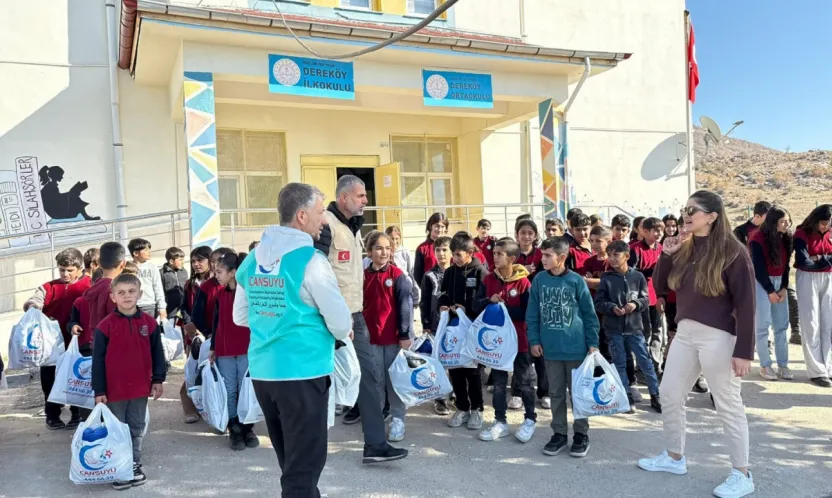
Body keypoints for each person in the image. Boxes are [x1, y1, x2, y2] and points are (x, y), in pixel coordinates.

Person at [641, 190, 756, 498]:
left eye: (693, 209)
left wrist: (744, 351)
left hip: (719, 337)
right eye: (684, 209)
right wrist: (667, 253)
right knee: (669, 393)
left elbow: (746, 304)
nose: (686, 214)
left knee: (728, 404)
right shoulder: (685, 247)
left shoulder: (734, 251)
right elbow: (661, 286)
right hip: (686, 333)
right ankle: (675, 457)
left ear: (712, 216)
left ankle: (742, 473)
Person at [313, 175, 408, 463]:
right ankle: (309, 446)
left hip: (356, 317)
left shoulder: (353, 228)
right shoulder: (326, 226)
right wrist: (335, 320)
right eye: (360, 196)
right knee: (317, 381)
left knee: (369, 377)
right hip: (328, 320)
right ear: (343, 198)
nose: (366, 200)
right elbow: (317, 274)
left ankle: (375, 445)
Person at [527, 237, 599, 458]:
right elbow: (532, 314)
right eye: (543, 254)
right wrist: (534, 340)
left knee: (578, 394)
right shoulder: (539, 280)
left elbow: (589, 315)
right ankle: (559, 433)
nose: (543, 259)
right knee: (556, 393)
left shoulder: (576, 281)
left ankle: (580, 434)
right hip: (550, 350)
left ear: (562, 257)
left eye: (548, 255)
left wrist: (593, 343)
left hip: (576, 349)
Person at [92, 273, 166, 490]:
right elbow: (97, 361)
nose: (127, 296)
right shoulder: (105, 327)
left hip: (140, 388)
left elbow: (157, 353)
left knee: (136, 426)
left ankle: (133, 463)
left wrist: (158, 379)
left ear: (140, 294)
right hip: (114, 390)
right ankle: (119, 467)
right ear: (113, 297)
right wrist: (99, 390)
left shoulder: (149, 323)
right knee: (117, 429)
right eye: (121, 292)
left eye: (131, 291)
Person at [474, 239, 537, 443]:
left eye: (500, 254)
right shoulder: (489, 279)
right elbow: (476, 305)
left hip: (520, 341)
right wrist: (488, 302)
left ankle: (529, 420)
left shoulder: (524, 282)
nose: (495, 256)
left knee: (525, 382)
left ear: (511, 258)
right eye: (495, 253)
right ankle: (500, 422)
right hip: (496, 343)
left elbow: (528, 312)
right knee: (499, 384)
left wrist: (504, 309)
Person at [23, 248, 91, 430]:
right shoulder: (49, 287)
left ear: (79, 268)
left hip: (79, 342)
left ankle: (78, 414)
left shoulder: (89, 286)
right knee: (49, 381)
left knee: (78, 380)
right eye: (62, 270)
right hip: (51, 346)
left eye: (70, 270)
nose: (65, 274)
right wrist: (32, 307)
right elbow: (35, 300)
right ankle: (52, 415)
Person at [594, 240, 662, 413]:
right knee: (620, 363)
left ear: (626, 256)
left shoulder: (637, 277)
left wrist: (635, 304)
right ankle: (626, 397)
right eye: (609, 255)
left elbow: (646, 299)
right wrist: (611, 308)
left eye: (616, 255)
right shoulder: (606, 279)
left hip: (634, 329)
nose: (612, 259)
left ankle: (656, 394)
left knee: (645, 362)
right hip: (614, 330)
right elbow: (599, 302)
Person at [363, 231, 413, 442]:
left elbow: (405, 306)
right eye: (378, 248)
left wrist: (404, 333)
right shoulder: (362, 275)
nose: (383, 252)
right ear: (369, 251)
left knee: (394, 380)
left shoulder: (398, 275)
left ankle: (398, 419)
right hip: (369, 337)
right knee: (375, 380)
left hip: (392, 337)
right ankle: (377, 418)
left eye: (387, 248)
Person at [208, 252, 257, 450]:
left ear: (233, 273)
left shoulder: (250, 293)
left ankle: (248, 426)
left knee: (246, 387)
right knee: (229, 388)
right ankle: (234, 427)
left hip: (246, 347)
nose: (216, 276)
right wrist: (213, 347)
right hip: (225, 349)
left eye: (219, 272)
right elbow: (216, 321)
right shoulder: (219, 294)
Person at [439, 231, 488, 430]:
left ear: (470, 252)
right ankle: (462, 407)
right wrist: (442, 306)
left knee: (473, 371)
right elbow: (443, 294)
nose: (455, 258)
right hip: (453, 329)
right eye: (454, 254)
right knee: (456, 369)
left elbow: (483, 301)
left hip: (473, 329)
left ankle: (477, 409)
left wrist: (467, 308)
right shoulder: (450, 272)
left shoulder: (480, 272)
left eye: (459, 254)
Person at [749, 206, 794, 381]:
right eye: (783, 222)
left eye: (788, 221)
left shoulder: (786, 237)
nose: (786, 224)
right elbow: (758, 268)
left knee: (781, 325)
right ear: (773, 222)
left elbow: (786, 265)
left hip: (779, 282)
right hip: (762, 283)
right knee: (762, 326)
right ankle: (765, 365)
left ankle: (783, 364)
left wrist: (783, 287)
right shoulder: (758, 238)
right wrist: (770, 290)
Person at [792, 204, 832, 387]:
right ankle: (817, 371)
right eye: (823, 223)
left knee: (828, 323)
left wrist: (818, 258)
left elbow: (812, 259)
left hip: (828, 277)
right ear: (816, 220)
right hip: (808, 278)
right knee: (811, 324)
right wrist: (826, 258)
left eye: (829, 224)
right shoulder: (801, 234)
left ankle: (829, 366)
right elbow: (803, 261)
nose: (825, 227)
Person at [513, 219, 549, 409]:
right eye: (522, 233)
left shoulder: (541, 254)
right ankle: (518, 391)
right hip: (517, 306)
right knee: (521, 352)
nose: (526, 236)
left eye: (530, 233)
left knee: (541, 351)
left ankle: (545, 392)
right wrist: (521, 271)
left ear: (535, 236)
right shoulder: (512, 254)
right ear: (517, 235)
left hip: (540, 306)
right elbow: (502, 274)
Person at [419, 236, 453, 415]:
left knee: (454, 360)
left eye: (445, 250)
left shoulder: (456, 273)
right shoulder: (429, 276)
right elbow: (424, 301)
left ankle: (454, 393)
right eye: (438, 250)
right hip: (435, 324)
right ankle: (440, 399)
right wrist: (425, 323)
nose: (441, 254)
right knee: (438, 362)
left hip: (454, 325)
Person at [629, 217, 665, 374]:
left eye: (661, 230)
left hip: (657, 296)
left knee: (657, 331)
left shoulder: (661, 248)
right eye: (655, 230)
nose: (659, 233)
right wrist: (650, 271)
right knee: (644, 332)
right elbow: (631, 272)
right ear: (645, 231)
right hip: (642, 296)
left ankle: (655, 365)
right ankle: (643, 366)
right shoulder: (635, 249)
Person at [191, 247, 235, 337]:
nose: (215, 264)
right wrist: (208, 333)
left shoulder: (241, 287)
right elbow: (196, 315)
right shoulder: (206, 287)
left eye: (218, 260)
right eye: (213, 261)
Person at [84, 242, 126, 333]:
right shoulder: (115, 289)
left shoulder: (94, 287)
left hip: (96, 340)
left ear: (99, 262)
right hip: (114, 340)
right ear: (123, 264)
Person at [128, 238, 167, 319]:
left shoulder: (152, 267)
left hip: (149, 306)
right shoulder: (128, 268)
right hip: (132, 306)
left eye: (149, 249)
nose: (149, 252)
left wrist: (162, 307)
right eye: (146, 250)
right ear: (135, 253)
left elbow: (158, 287)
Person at [385, 225, 420, 309]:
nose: (394, 241)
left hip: (404, 288)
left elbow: (412, 273)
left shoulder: (404, 252)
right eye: (391, 239)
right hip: (389, 289)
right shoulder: (384, 253)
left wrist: (415, 297)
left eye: (397, 238)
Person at [413, 212, 450, 286]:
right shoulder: (422, 248)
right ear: (430, 226)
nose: (439, 229)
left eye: (442, 227)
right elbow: (418, 275)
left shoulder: (451, 245)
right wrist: (426, 288)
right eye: (437, 226)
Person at [161, 247, 188, 319]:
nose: (183, 262)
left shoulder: (184, 271)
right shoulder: (162, 273)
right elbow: (160, 292)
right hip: (170, 311)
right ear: (171, 261)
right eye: (180, 260)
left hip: (184, 309)